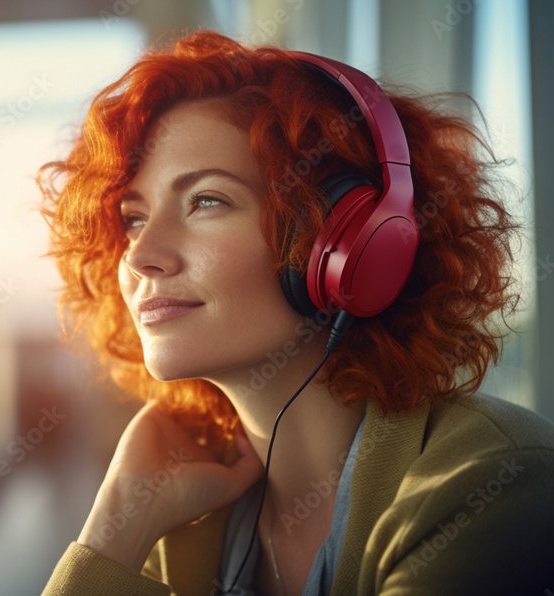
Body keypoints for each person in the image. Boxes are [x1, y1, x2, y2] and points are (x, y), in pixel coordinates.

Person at [36, 30, 554, 596]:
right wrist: (115, 528)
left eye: (206, 200)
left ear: (340, 244)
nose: (140, 255)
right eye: (133, 218)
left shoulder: (492, 480)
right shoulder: (181, 520)